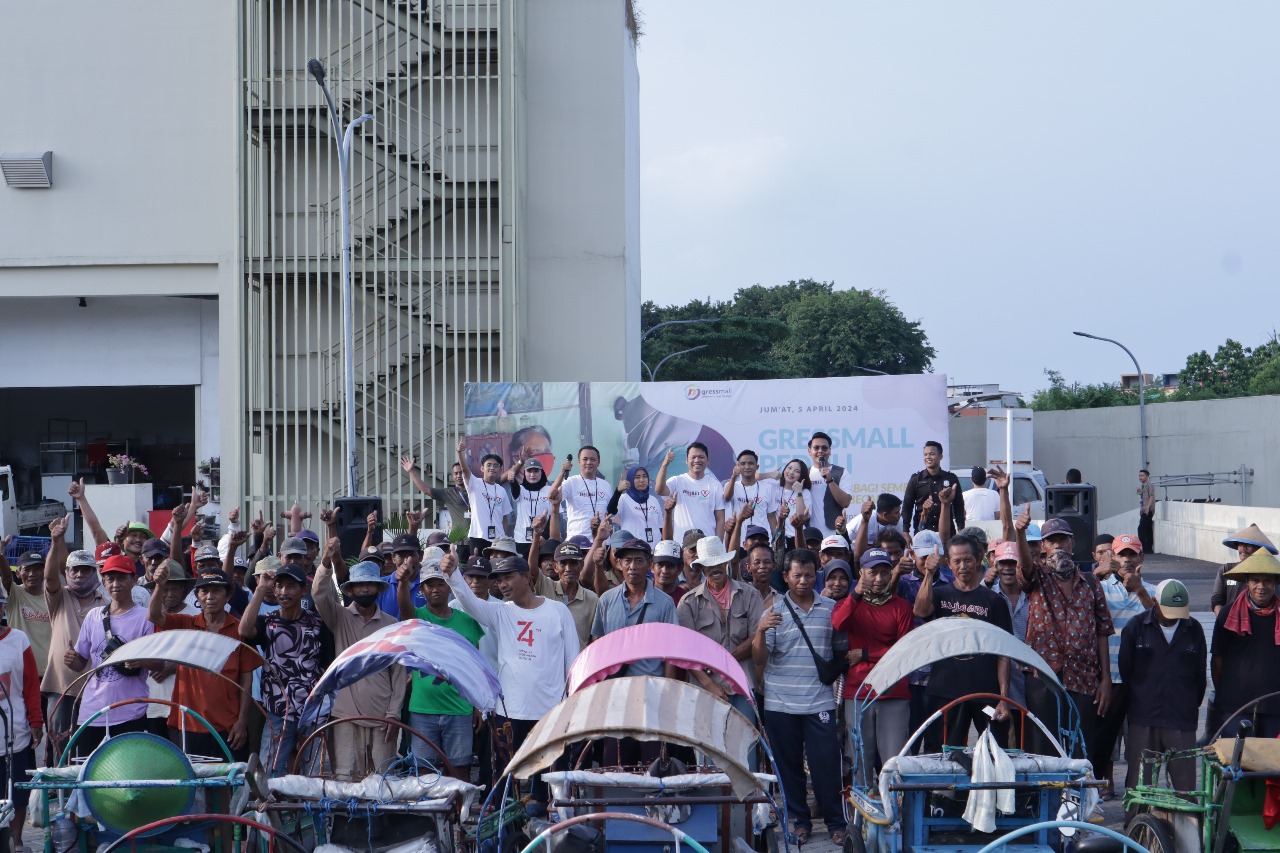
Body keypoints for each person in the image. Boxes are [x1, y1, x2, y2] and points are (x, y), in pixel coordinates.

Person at [445, 551, 579, 794]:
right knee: (505, 779)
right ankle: (505, 823)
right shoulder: (500, 613)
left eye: (508, 577)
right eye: (499, 580)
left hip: (549, 711)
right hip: (509, 711)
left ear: (527, 577)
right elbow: (469, 602)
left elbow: (573, 663)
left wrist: (569, 705)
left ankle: (550, 823)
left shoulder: (558, 612)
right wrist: (453, 574)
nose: (502, 584)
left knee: (547, 785)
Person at [753, 549, 847, 846]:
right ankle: (800, 821)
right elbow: (759, 659)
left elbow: (840, 651)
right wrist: (759, 631)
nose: (804, 581)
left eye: (809, 575)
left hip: (819, 701)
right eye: (797, 575)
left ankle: (835, 821)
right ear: (786, 577)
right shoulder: (772, 613)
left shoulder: (832, 609)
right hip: (780, 703)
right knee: (789, 766)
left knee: (826, 765)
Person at [1014, 509, 1113, 759]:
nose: (1057, 544)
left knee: (1079, 749)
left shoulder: (1090, 582)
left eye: (1062, 539)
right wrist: (1020, 533)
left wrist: (1105, 679)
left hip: (1083, 677)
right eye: (1051, 540)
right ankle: (1044, 798)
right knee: (1042, 750)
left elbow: (1103, 631)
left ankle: (1075, 799)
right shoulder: (1037, 577)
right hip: (1043, 678)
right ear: (1044, 546)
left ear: (1073, 543)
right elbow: (1025, 565)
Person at [147, 564, 257, 761]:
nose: (209, 596)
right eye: (204, 591)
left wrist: (242, 721)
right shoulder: (186, 624)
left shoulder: (239, 630)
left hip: (228, 725)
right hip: (190, 723)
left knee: (228, 784)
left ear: (228, 595)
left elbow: (247, 678)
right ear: (197, 596)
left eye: (216, 590)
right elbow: (155, 616)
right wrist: (159, 585)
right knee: (195, 786)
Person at [914, 535, 1012, 750]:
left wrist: (1003, 698)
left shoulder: (994, 601)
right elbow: (920, 611)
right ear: (948, 563)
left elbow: (1004, 654)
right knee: (944, 755)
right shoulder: (940, 595)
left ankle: (994, 785)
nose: (963, 566)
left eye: (967, 560)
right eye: (956, 561)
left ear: (978, 560)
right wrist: (929, 574)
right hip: (946, 693)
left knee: (995, 750)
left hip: (986, 695)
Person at [313, 551, 405, 780]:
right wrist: (325, 562)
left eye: (370, 585)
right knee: (346, 781)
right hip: (345, 716)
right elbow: (319, 594)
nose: (365, 590)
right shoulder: (340, 617)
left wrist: (394, 714)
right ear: (351, 590)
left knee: (383, 784)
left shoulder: (391, 624)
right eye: (360, 585)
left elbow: (399, 673)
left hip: (383, 718)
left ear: (377, 589)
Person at [240, 559, 329, 776]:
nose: (283, 591)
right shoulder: (268, 622)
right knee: (270, 771)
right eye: (279, 586)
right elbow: (244, 630)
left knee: (313, 773)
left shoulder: (318, 624)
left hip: (312, 710)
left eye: (290, 586)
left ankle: (309, 811)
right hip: (278, 709)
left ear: (303, 590)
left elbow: (327, 666)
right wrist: (261, 587)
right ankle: (270, 810)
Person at [833, 548, 914, 785]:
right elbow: (838, 624)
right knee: (859, 757)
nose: (878, 579)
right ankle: (861, 817)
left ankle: (895, 816)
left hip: (893, 692)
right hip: (858, 691)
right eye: (872, 573)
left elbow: (905, 650)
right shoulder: (848, 603)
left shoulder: (901, 607)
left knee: (894, 760)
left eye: (884, 573)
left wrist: (866, 654)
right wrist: (856, 593)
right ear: (861, 573)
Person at [397, 555, 482, 781]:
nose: (435, 589)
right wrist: (403, 582)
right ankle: (430, 817)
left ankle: (459, 816)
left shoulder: (467, 622)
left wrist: (478, 705)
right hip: (423, 710)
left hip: (460, 709)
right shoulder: (418, 618)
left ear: (449, 587)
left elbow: (476, 666)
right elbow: (404, 608)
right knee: (424, 771)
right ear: (422, 590)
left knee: (460, 769)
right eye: (429, 585)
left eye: (440, 584)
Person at [1119, 579, 1204, 798]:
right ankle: (1136, 829)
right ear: (1155, 602)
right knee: (1141, 784)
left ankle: (1187, 830)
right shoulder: (1136, 627)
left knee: (1185, 786)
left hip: (1181, 718)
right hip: (1144, 716)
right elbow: (1126, 670)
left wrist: (1186, 704)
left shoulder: (1194, 629)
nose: (1173, 615)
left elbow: (1200, 677)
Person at [65, 554, 156, 756]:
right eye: (110, 578)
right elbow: (82, 663)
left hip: (130, 711)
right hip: (92, 711)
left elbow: (159, 664)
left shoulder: (145, 617)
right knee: (86, 773)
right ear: (103, 581)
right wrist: (72, 659)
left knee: (128, 774)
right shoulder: (94, 616)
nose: (115, 584)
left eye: (121, 578)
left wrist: (141, 661)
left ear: (134, 580)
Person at [1093, 533, 1155, 796]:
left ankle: (1135, 789)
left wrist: (1139, 589)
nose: (1127, 559)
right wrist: (1097, 573)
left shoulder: (1152, 590)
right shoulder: (1101, 589)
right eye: (1122, 554)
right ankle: (1105, 786)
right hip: (1111, 678)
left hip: (1142, 681)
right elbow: (1079, 595)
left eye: (1132, 554)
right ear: (1113, 558)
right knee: (1106, 738)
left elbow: (1164, 624)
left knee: (1138, 742)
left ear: (1141, 557)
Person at [677, 536, 763, 717]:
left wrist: (723, 661)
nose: (715, 568)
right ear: (700, 568)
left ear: (727, 562)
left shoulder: (750, 594)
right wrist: (709, 684)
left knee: (744, 742)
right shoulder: (688, 602)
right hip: (704, 686)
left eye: (719, 562)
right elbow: (686, 650)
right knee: (707, 743)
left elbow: (757, 636)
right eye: (709, 564)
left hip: (742, 682)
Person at [1212, 550, 1280, 738]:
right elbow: (1217, 661)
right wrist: (1225, 692)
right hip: (1235, 706)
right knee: (1236, 763)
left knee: (1271, 765)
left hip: (1275, 706)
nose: (1261, 586)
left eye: (1267, 581)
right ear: (1247, 583)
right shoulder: (1227, 614)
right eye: (1255, 580)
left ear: (1275, 583)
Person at [0, 612, 42, 848]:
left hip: (14, 732)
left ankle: (17, 842)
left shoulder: (18, 640)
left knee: (17, 792)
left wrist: (36, 721)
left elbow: (30, 685)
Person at [985, 542, 1029, 712]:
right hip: (995, 680)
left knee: (1027, 734)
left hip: (1026, 680)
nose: (1008, 568)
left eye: (1013, 563)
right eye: (1003, 563)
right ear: (995, 565)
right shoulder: (987, 595)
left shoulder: (1034, 596)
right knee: (999, 736)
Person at [0, 549, 52, 692]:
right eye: (26, 569)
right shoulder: (15, 594)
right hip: (19, 673)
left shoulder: (53, 596)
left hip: (50, 674)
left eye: (37, 569)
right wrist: (1, 555)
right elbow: (5, 577)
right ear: (17, 573)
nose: (32, 574)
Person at [657, 444, 726, 543]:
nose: (697, 460)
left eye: (701, 457)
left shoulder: (715, 485)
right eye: (693, 457)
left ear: (707, 460)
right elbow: (659, 490)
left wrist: (718, 543)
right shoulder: (677, 481)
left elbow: (720, 519)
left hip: (707, 545)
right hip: (682, 544)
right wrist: (665, 464)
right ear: (686, 460)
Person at [458, 440, 513, 554]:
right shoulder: (474, 484)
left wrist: (505, 536)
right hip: (478, 537)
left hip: (498, 540)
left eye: (495, 465)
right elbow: (464, 470)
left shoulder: (501, 491)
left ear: (500, 470)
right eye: (489, 465)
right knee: (478, 570)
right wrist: (459, 453)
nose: (492, 468)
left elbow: (505, 519)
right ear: (482, 468)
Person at [1211, 524, 1278, 615]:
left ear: (1260, 549)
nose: (1243, 548)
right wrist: (1223, 618)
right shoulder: (1226, 569)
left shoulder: (1270, 573)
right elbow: (1217, 599)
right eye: (1240, 544)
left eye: (1248, 545)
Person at [548, 446, 612, 540]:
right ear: (578, 462)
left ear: (598, 463)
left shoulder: (606, 485)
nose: (589, 462)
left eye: (593, 459)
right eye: (585, 459)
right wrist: (562, 472)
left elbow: (610, 516)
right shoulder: (571, 482)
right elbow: (552, 497)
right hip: (576, 543)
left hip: (601, 543)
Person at [902, 441, 965, 534]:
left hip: (946, 532)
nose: (928, 457)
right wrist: (905, 531)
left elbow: (958, 505)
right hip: (923, 532)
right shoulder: (916, 479)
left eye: (932, 454)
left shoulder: (951, 478)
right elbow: (907, 506)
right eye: (925, 454)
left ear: (940, 457)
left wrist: (961, 528)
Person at [804, 433, 854, 539]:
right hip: (810, 535)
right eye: (816, 448)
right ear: (809, 451)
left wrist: (830, 480)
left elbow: (845, 502)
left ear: (830, 451)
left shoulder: (840, 472)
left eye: (824, 448)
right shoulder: (804, 473)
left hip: (834, 534)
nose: (820, 451)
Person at [723, 450, 779, 535]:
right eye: (743, 464)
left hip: (762, 539)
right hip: (739, 540)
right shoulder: (731, 485)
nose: (747, 467)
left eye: (751, 463)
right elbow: (727, 498)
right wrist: (734, 476)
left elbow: (771, 516)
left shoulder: (768, 487)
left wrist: (776, 539)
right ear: (737, 466)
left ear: (757, 467)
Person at [608, 465, 665, 546]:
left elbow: (660, 527)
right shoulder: (624, 499)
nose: (641, 480)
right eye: (637, 477)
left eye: (644, 476)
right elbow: (611, 511)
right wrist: (618, 491)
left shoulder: (653, 500)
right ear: (630, 480)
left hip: (653, 549)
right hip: (633, 548)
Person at [509, 457, 552, 560]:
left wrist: (545, 537)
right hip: (522, 540)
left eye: (536, 471)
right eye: (529, 471)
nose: (532, 474)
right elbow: (512, 479)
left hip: (542, 540)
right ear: (524, 473)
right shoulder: (520, 489)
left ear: (541, 472)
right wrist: (518, 465)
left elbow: (552, 516)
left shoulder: (549, 490)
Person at [850, 494, 903, 559]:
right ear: (885, 515)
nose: (899, 515)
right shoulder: (862, 519)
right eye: (897, 512)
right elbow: (845, 540)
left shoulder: (898, 522)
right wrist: (865, 521)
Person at [652, 540, 688, 605]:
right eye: (660, 565)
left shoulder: (685, 599)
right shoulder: (641, 594)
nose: (664, 571)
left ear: (679, 569)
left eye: (670, 566)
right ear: (652, 567)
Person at [1137, 469, 1156, 554]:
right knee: (1148, 529)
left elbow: (1151, 496)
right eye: (1139, 476)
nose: (1140, 477)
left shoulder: (1149, 485)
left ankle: (1144, 547)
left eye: (1142, 475)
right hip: (1144, 510)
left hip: (1147, 510)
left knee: (1141, 528)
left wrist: (1148, 508)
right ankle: (1148, 548)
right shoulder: (1143, 486)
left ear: (1147, 476)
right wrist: (1139, 492)